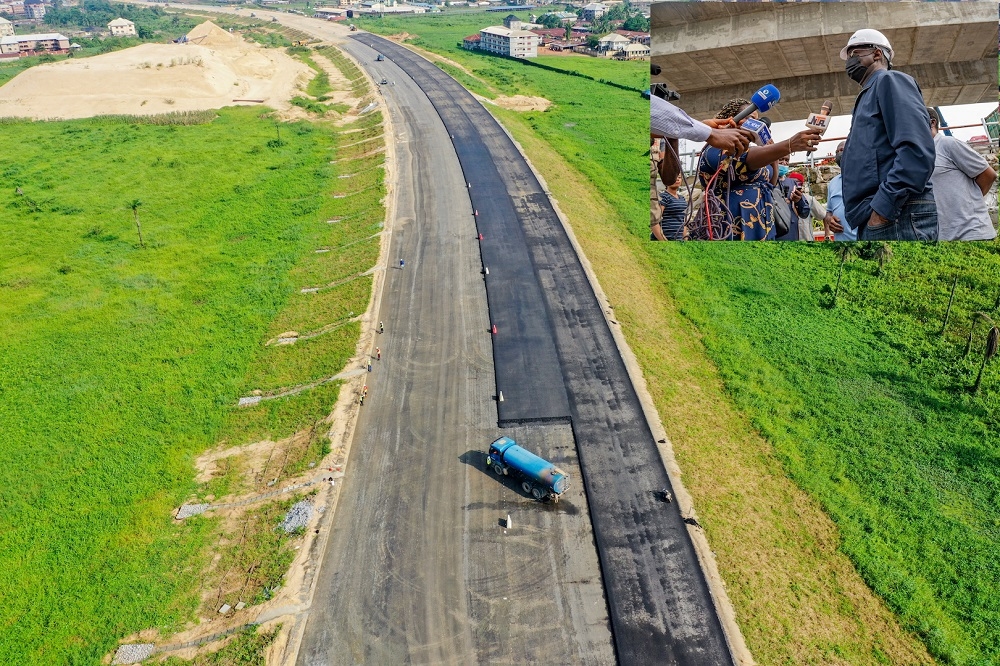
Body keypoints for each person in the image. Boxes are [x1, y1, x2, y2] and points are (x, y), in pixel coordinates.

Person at [839, 29, 937, 240]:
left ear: (876, 54)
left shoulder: (889, 81)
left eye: (855, 53)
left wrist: (883, 209)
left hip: (896, 214)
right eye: (848, 57)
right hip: (877, 215)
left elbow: (916, 151)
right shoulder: (868, 94)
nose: (850, 61)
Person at [696, 98, 822, 240]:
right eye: (750, 118)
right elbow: (745, 159)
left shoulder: (753, 151)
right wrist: (789, 144)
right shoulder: (715, 148)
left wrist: (771, 152)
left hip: (760, 225)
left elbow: (771, 184)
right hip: (727, 224)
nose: (755, 124)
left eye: (757, 120)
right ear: (731, 119)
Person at [927, 107, 998, 241]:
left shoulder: (947, 144)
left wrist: (971, 201)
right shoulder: (924, 153)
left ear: (932, 123)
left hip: (972, 232)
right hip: (946, 236)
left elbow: (988, 175)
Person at [824, 141, 855, 241]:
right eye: (837, 151)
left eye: (842, 150)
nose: (839, 154)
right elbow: (829, 211)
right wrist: (829, 219)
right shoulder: (833, 183)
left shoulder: (866, 179)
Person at [773, 159, 811, 241]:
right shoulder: (766, 182)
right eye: (780, 159)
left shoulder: (792, 183)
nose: (784, 163)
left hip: (791, 232)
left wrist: (798, 201)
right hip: (773, 232)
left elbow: (805, 212)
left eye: (787, 160)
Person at [653, 172, 686, 240]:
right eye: (673, 177)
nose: (677, 179)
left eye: (679, 177)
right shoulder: (663, 197)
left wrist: (685, 239)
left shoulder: (682, 198)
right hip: (667, 238)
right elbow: (654, 222)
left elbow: (684, 221)